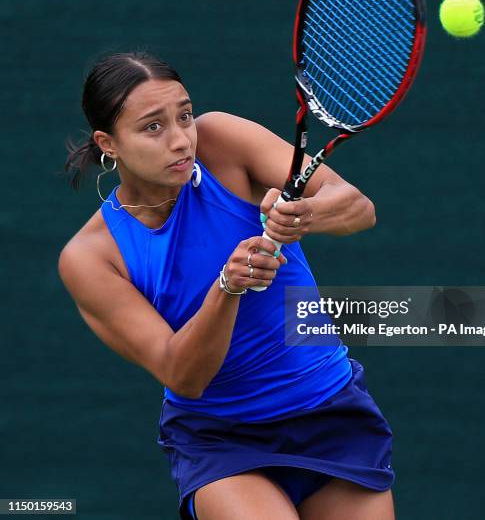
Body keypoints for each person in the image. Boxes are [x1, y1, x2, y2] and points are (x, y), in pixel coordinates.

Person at [59, 51, 395, 520]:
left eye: (184, 116)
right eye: (153, 127)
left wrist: (304, 215)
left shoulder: (222, 141)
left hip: (330, 409)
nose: (181, 140)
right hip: (223, 438)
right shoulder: (91, 258)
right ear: (108, 143)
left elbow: (359, 209)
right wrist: (227, 286)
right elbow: (184, 375)